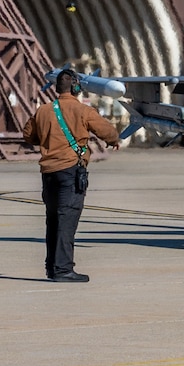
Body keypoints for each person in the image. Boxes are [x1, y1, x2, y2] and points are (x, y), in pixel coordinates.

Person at [25, 69, 121, 282]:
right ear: (77, 88)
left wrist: (51, 140)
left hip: (48, 173)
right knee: (66, 221)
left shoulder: (43, 110)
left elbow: (29, 135)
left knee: (53, 221)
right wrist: (113, 141)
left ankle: (52, 267)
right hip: (70, 173)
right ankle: (63, 270)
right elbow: (109, 133)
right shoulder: (83, 111)